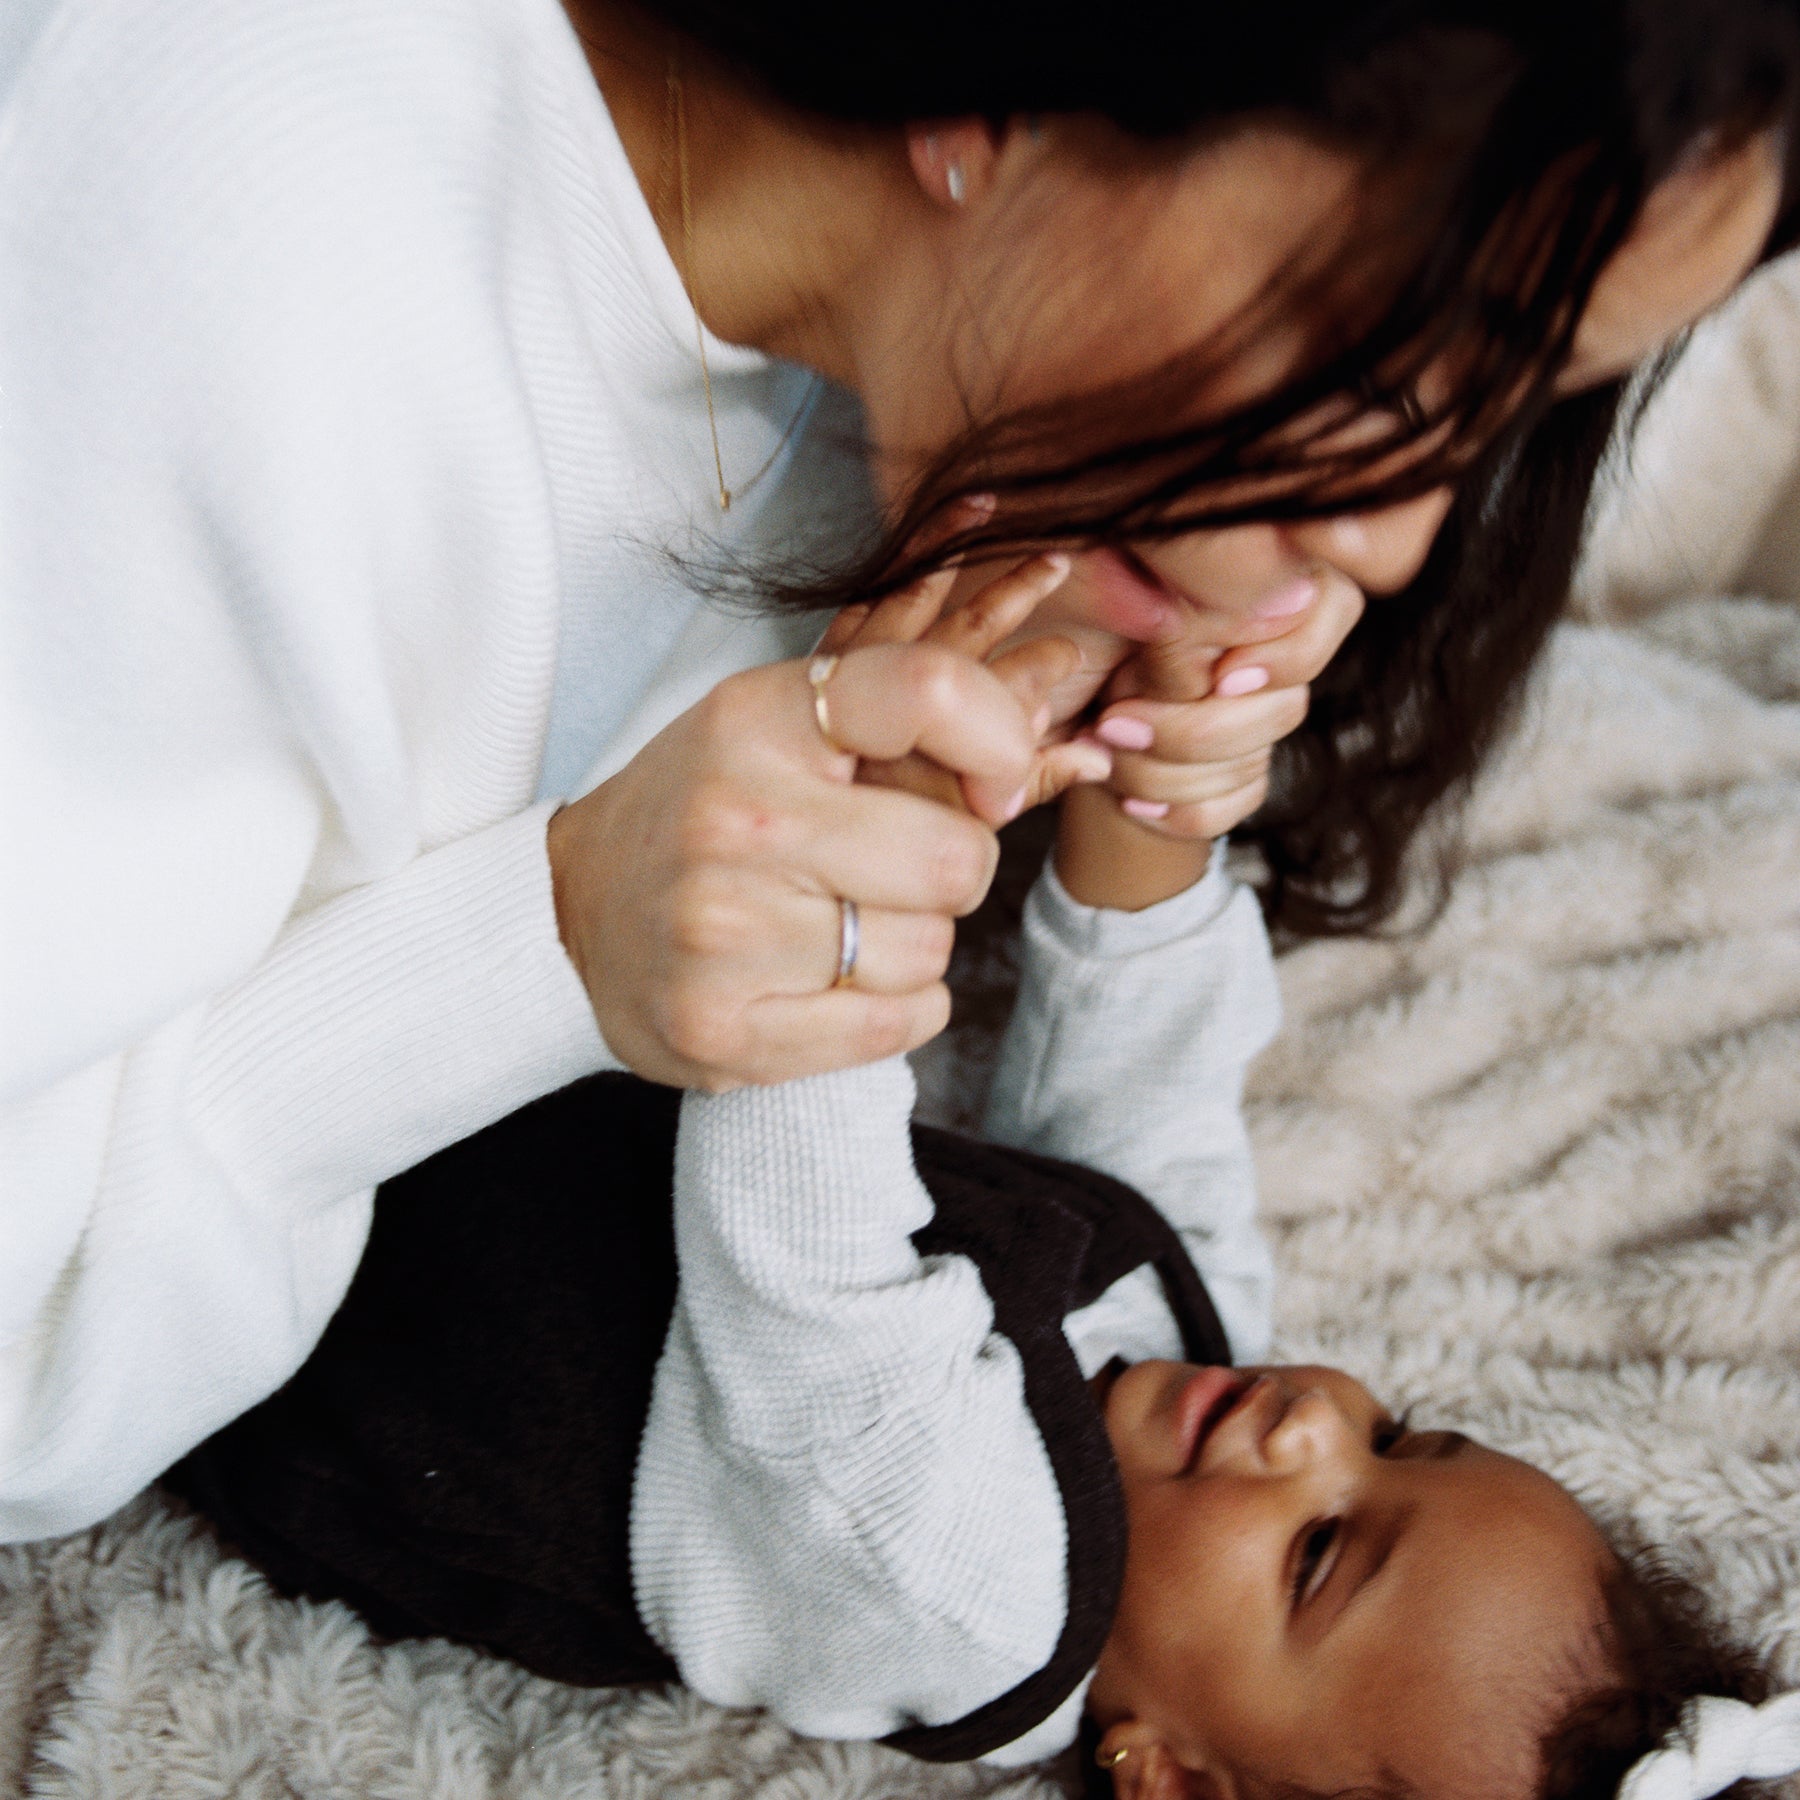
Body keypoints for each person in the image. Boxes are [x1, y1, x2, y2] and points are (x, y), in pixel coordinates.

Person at [4, 0, 1799, 1544]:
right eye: (1428, 348)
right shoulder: (219, 236)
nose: (1404, 542)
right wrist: (543, 943)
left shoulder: (920, 395)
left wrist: (1117, 755)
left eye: (1524, 404)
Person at [163, 579, 1800, 1798]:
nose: (1313, 1424)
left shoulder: (974, 1604)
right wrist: (1175, 750)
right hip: (535, 1090)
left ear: (1170, 1776)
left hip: (360, 1303)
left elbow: (807, 1258)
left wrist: (890, 821)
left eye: (1319, 1554)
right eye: (1404, 1435)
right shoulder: (1191, 1352)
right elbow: (1142, 1053)